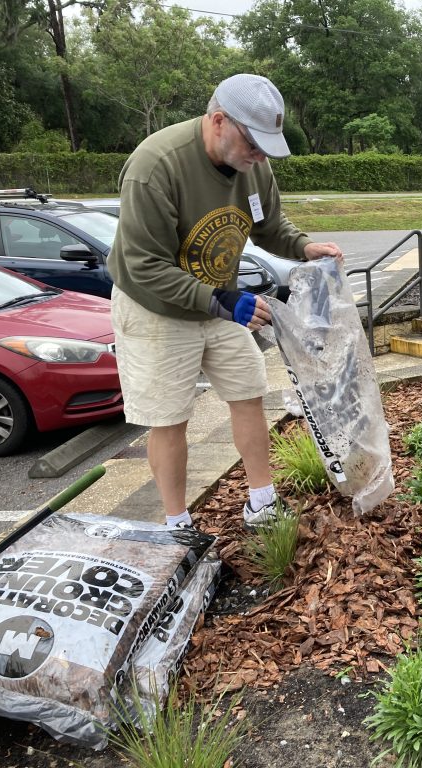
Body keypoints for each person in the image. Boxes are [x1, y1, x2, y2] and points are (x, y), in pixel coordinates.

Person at [107, 73, 343, 529]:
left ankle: (262, 503)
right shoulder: (156, 167)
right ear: (219, 121)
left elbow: (269, 225)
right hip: (156, 308)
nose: (258, 158)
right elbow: (145, 267)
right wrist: (221, 300)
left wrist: (305, 246)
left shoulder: (253, 166)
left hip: (218, 300)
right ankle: (177, 524)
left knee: (248, 390)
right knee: (170, 417)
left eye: (265, 148)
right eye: (253, 145)